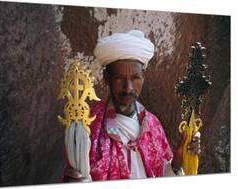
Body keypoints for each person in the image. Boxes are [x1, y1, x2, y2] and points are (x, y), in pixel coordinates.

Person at [63, 30, 201, 182]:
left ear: (144, 76)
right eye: (119, 78)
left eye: (135, 78)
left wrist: (177, 161)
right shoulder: (90, 127)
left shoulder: (152, 125)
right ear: (106, 79)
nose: (128, 88)